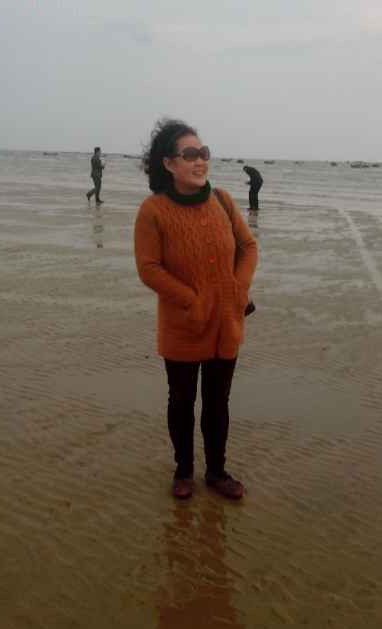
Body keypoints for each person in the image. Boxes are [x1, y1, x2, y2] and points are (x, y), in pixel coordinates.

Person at [134, 119, 258, 500]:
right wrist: (192, 299)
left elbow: (248, 247)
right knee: (182, 401)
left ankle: (217, 472)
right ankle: (184, 470)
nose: (200, 161)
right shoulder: (153, 211)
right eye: (190, 155)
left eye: (203, 153)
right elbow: (149, 268)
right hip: (182, 325)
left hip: (226, 323)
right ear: (169, 163)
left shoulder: (222, 200)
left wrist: (238, 288)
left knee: (218, 403)